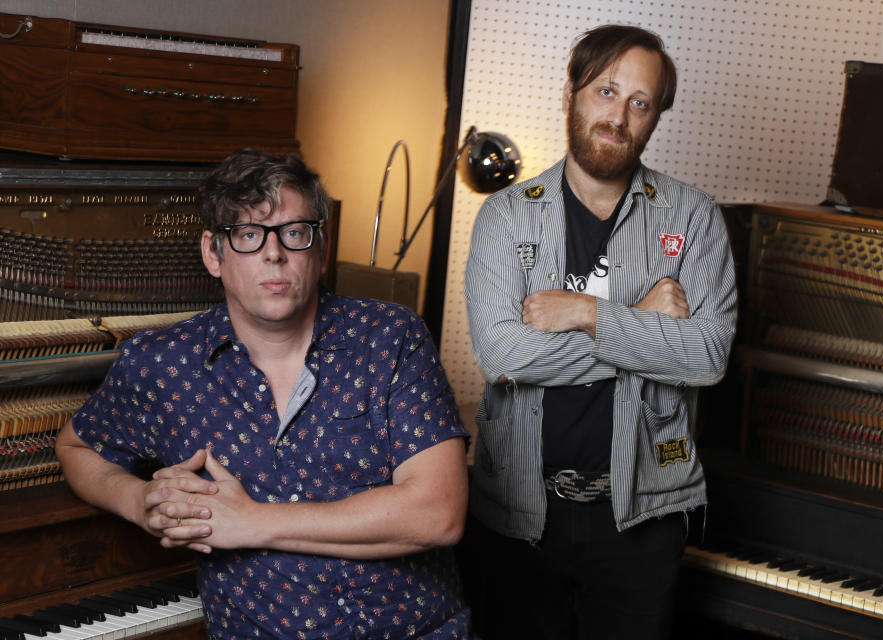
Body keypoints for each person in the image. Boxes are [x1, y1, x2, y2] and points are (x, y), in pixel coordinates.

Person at [56, 148, 472, 639]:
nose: (274, 254)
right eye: (248, 235)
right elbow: (77, 446)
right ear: (214, 253)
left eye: (293, 233)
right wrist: (140, 501)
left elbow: (437, 515)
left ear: (320, 246)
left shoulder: (389, 337)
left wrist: (252, 521)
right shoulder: (163, 363)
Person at [462, 24, 738, 639]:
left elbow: (710, 355)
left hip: (643, 520)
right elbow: (504, 356)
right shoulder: (507, 216)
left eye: (640, 103)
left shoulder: (693, 218)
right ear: (570, 93)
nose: (619, 116)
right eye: (606, 91)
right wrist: (643, 320)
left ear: (656, 116)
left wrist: (590, 314)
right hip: (519, 515)